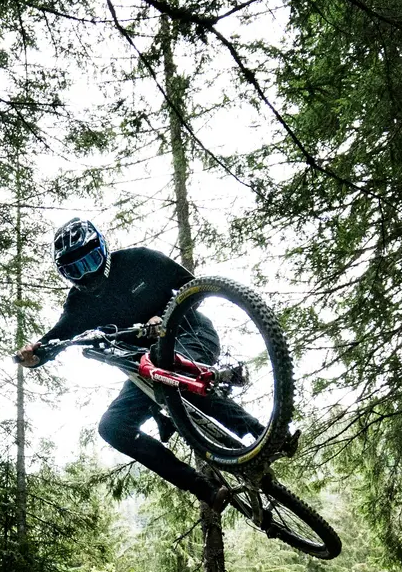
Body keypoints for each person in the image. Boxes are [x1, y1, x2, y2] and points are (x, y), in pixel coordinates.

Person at [16, 218, 273, 510]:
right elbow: (58, 337)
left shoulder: (140, 260)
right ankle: (205, 489)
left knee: (168, 374)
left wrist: (165, 316)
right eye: (75, 269)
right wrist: (35, 355)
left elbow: (192, 287)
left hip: (191, 335)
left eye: (90, 261)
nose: (86, 273)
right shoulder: (78, 303)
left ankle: (261, 434)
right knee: (113, 427)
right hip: (147, 369)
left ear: (103, 249)